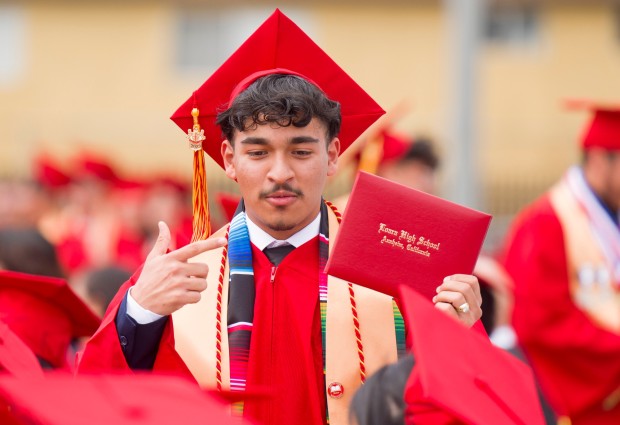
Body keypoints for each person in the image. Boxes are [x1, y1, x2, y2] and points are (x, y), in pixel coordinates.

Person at [78, 10, 482, 425]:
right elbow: (95, 396)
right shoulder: (181, 274)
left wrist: (457, 339)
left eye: (301, 151)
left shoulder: (394, 264)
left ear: (332, 156)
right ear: (230, 160)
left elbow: (464, 402)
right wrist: (140, 312)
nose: (280, 173)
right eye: (258, 152)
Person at [501, 101, 620, 425]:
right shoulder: (547, 222)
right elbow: (540, 323)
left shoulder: (612, 216)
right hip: (579, 403)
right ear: (599, 158)